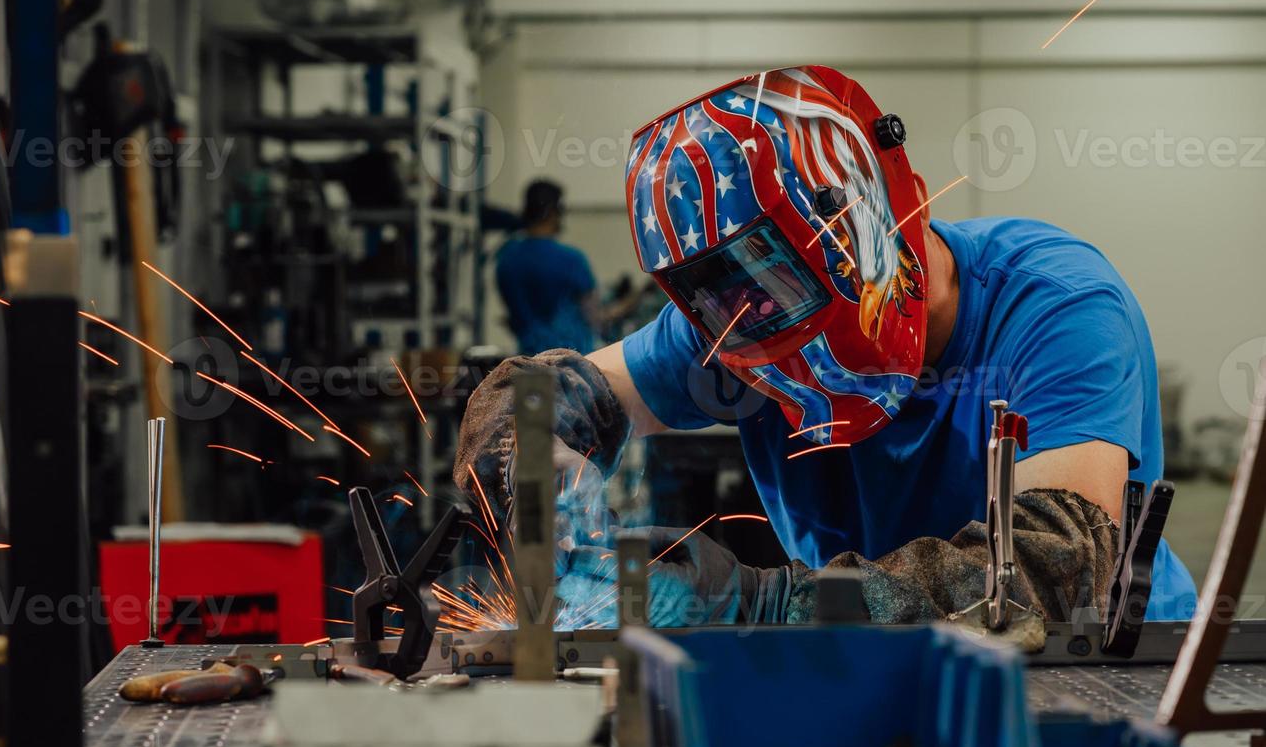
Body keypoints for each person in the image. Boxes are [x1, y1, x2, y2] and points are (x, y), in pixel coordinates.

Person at [456, 65, 1197, 628]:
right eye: (730, 300)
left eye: (781, 283)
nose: (763, 323)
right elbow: (550, 399)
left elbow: (1049, 572)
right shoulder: (735, 326)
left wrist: (765, 606)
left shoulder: (1055, 306)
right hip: (864, 660)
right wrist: (529, 478)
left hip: (1099, 667)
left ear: (866, 223)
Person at [495, 180, 643, 355]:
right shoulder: (571, 260)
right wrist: (637, 297)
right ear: (552, 212)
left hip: (527, 365)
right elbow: (597, 319)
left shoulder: (506, 258)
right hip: (570, 366)